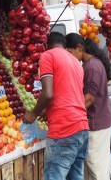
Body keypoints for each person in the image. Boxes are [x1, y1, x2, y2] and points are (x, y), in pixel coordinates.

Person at [23, 32, 89, 180]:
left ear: (47, 44)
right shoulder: (76, 63)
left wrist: (33, 113)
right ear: (64, 45)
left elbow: (48, 94)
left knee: (54, 176)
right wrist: (46, 111)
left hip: (64, 130)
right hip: (82, 128)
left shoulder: (48, 55)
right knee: (76, 177)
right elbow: (68, 96)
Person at [65, 33, 111, 180]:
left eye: (69, 52)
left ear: (79, 48)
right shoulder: (91, 63)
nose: (69, 57)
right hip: (102, 119)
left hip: (96, 123)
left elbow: (89, 98)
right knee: (100, 165)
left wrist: (71, 116)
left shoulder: (91, 67)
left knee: (95, 166)